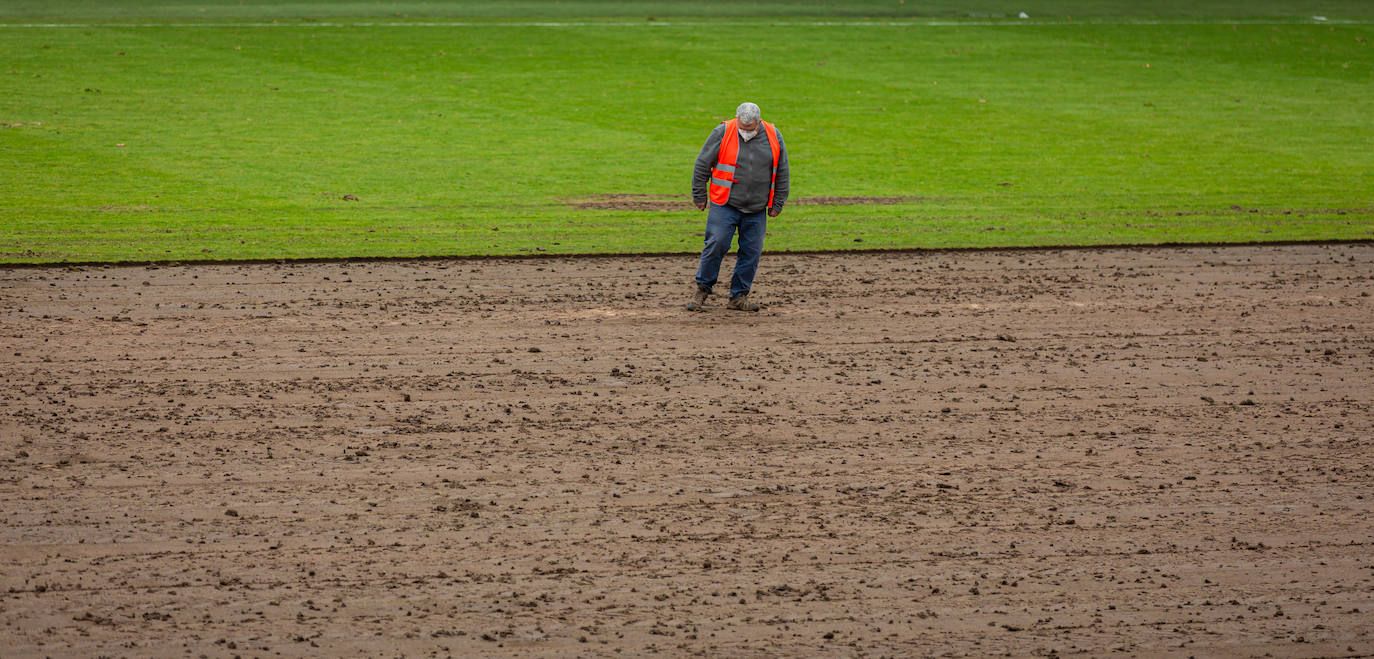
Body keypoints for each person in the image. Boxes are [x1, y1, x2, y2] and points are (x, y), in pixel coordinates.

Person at [687, 101, 789, 312]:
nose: (745, 132)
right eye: (742, 128)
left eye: (750, 129)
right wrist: (699, 195)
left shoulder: (774, 136)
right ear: (737, 120)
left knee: (751, 252)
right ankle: (702, 290)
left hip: (757, 208)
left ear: (758, 123)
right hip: (725, 203)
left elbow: (782, 170)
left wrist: (778, 202)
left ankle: (738, 296)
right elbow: (702, 164)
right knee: (717, 243)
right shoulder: (722, 132)